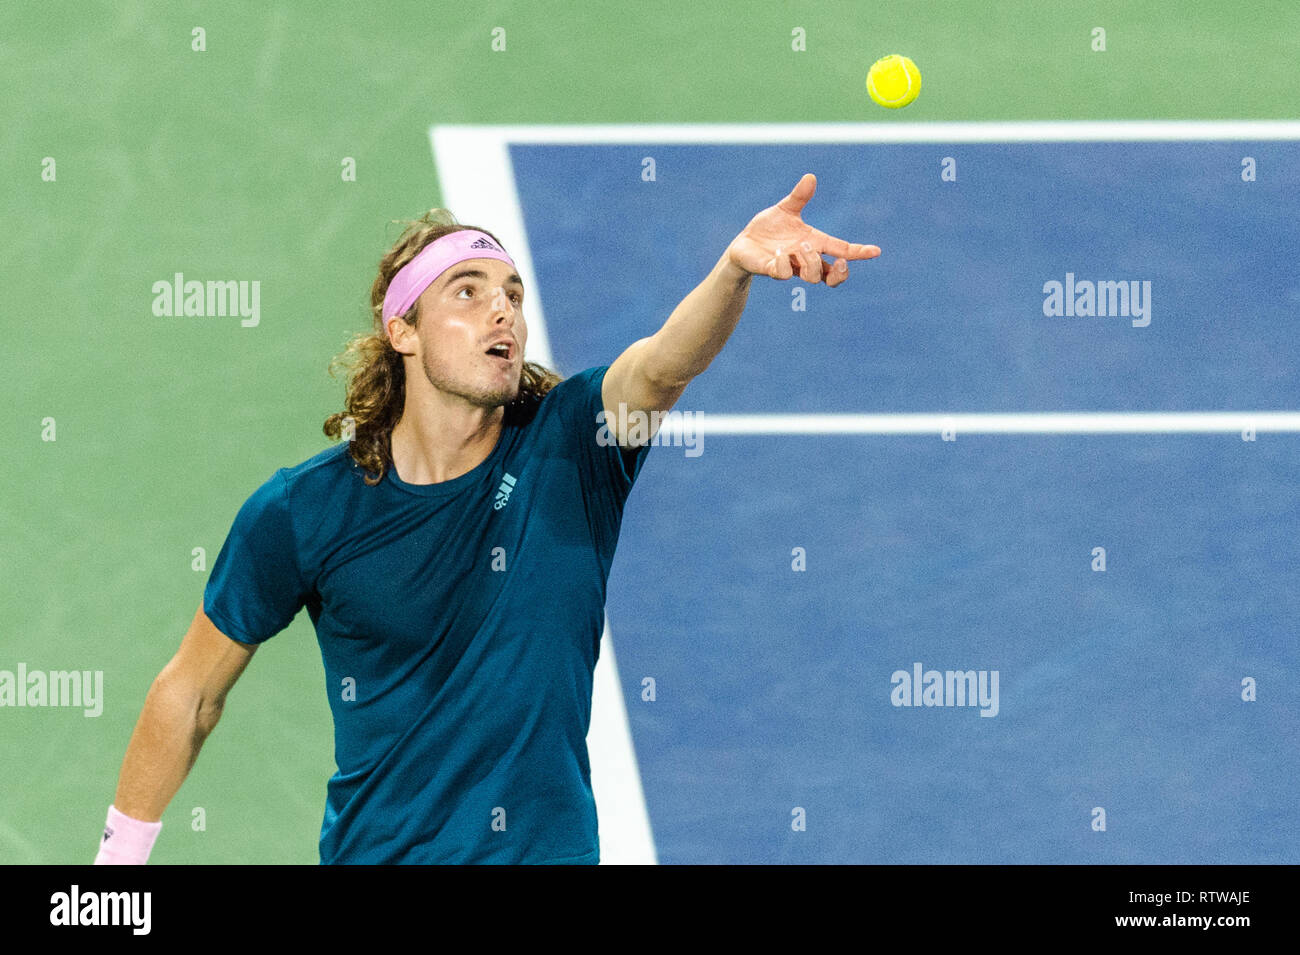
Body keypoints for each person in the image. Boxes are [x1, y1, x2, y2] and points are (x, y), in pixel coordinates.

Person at [94, 173, 879, 864]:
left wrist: (733, 271)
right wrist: (114, 871)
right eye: (466, 291)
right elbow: (191, 690)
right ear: (402, 331)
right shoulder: (302, 511)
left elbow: (664, 365)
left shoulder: (577, 446)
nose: (500, 311)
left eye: (510, 293)